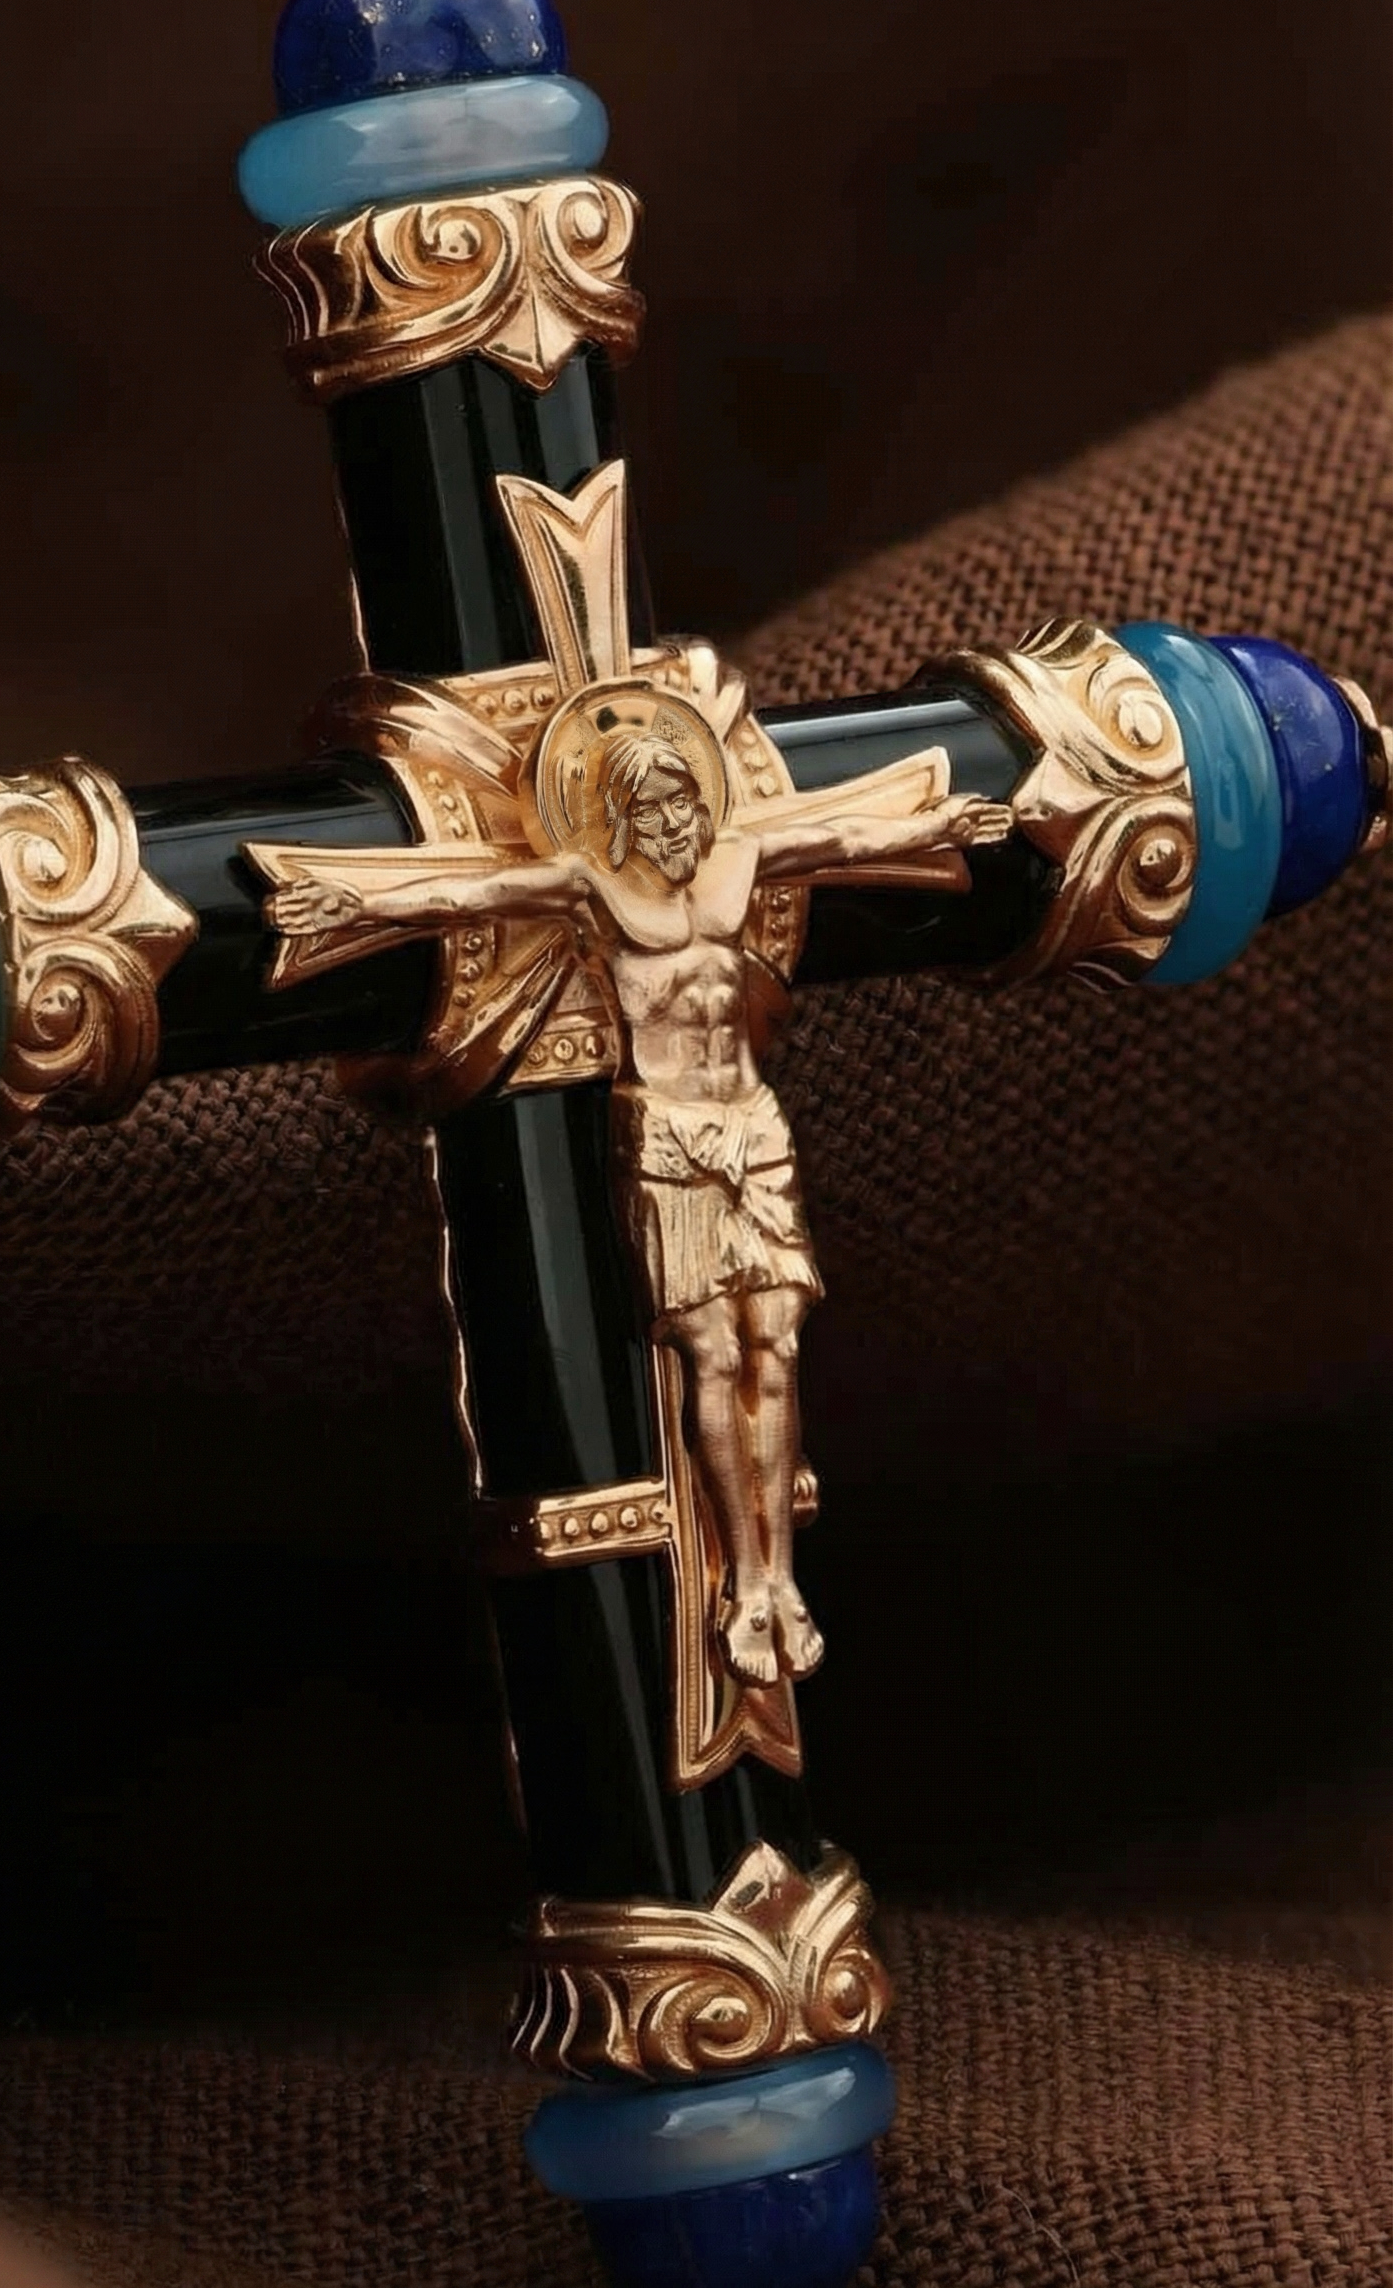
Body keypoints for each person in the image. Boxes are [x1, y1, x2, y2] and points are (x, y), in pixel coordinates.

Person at [268, 715, 1012, 1687]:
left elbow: (840, 835)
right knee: (713, 1354)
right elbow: (477, 889)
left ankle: (775, 1576)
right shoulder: (596, 888)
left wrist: (944, 823)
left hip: (753, 1129)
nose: (675, 824)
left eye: (685, 803)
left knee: (777, 1350)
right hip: (670, 1140)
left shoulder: (737, 860)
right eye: (654, 809)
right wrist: (353, 896)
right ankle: (743, 1584)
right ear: (619, 817)